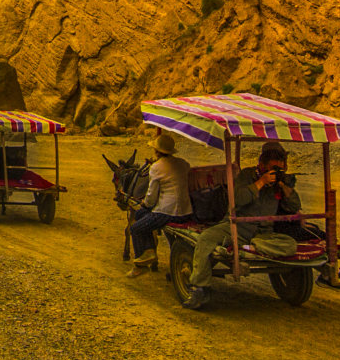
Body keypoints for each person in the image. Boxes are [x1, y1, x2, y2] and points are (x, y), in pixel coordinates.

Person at [176, 143, 298, 310]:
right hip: (237, 228)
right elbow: (237, 200)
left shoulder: (280, 181)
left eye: (279, 170)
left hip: (264, 233)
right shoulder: (247, 175)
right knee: (205, 239)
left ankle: (256, 247)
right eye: (273, 169)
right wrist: (260, 183)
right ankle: (199, 288)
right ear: (262, 165)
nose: (276, 173)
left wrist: (284, 186)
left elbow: (294, 205)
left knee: (289, 245)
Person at [126, 132, 194, 277]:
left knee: (136, 228)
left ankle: (141, 262)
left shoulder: (156, 167)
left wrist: (145, 204)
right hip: (186, 211)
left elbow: (151, 196)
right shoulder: (183, 164)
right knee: (140, 215)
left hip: (167, 213)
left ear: (157, 151)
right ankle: (150, 251)